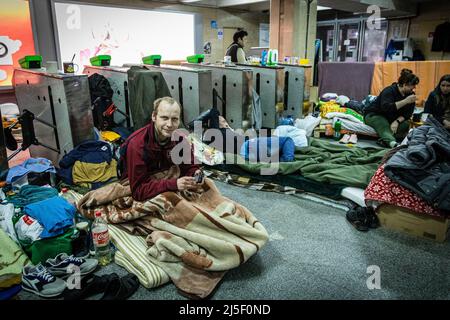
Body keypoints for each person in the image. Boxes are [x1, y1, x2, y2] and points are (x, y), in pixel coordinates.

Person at [120, 97, 202, 201]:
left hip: (166, 179)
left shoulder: (181, 139)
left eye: (174, 119)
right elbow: (138, 192)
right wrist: (173, 184)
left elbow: (190, 167)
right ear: (154, 116)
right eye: (164, 118)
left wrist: (196, 174)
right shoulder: (137, 144)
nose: (169, 124)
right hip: (139, 183)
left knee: (208, 185)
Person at [364, 69, 419, 148]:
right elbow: (386, 108)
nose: (414, 88)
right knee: (383, 124)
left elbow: (408, 114)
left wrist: (397, 122)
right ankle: (393, 144)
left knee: (406, 124)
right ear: (404, 84)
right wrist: (405, 101)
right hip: (376, 114)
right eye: (412, 86)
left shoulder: (410, 94)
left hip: (393, 119)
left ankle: (384, 139)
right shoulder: (389, 91)